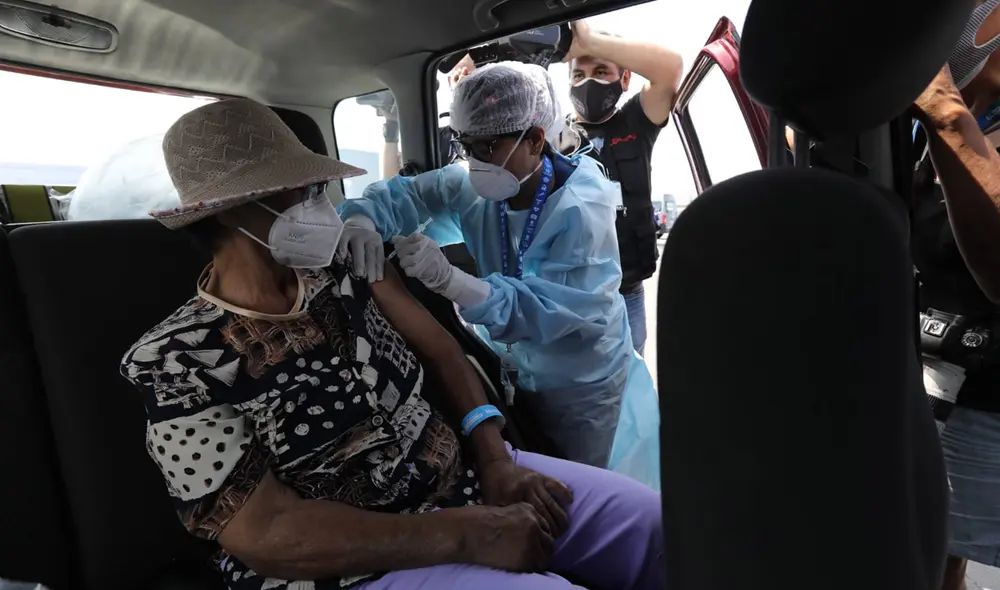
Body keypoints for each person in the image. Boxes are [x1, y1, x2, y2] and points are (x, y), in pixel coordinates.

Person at [120, 98, 663, 590]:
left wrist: (495, 458)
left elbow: (443, 351)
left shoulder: (344, 267)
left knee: (655, 526)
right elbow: (264, 533)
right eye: (301, 189)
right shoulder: (172, 362)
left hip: (464, 479)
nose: (319, 203)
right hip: (352, 560)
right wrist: (463, 534)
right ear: (236, 208)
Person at [336, 61, 656, 475]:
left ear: (535, 140)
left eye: (487, 147)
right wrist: (361, 220)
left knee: (578, 480)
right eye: (465, 145)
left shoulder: (581, 208)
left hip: (580, 382)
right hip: (513, 365)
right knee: (530, 459)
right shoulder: (476, 188)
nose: (474, 162)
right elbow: (408, 196)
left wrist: (450, 281)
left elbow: (553, 312)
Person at [910, 2, 1000, 589]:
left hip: (991, 401)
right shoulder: (910, 135)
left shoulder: (945, 116)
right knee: (937, 556)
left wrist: (946, 111)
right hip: (945, 388)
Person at [559, 21, 684, 357]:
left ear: (625, 79)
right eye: (578, 75)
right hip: (574, 297)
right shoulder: (555, 137)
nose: (588, 82)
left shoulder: (635, 122)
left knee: (631, 376)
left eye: (601, 71)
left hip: (627, 292)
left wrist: (587, 42)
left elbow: (670, 69)